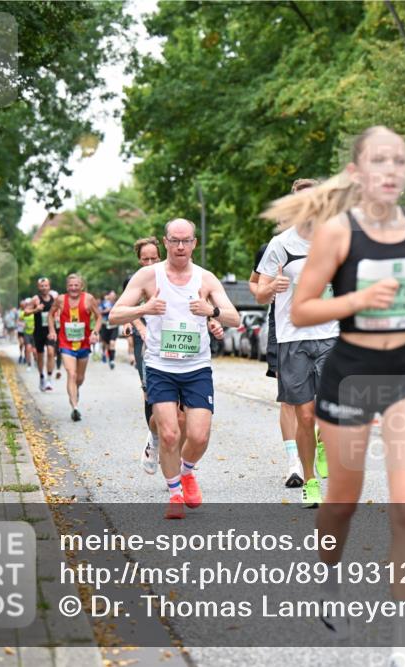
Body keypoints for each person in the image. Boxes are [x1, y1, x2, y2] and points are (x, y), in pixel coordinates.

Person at [261, 126, 405, 663]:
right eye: (379, 161)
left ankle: (404, 642)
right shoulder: (336, 234)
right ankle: (328, 581)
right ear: (356, 173)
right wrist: (359, 300)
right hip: (350, 372)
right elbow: (302, 308)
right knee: (342, 501)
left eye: (399, 161)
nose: (391, 171)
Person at [110, 218, 240, 519]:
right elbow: (115, 314)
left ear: (194, 243)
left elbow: (235, 318)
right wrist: (145, 308)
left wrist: (211, 311)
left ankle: (187, 471)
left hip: (196, 367)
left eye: (186, 240)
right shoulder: (148, 276)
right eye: (175, 240)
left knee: (199, 436)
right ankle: (175, 494)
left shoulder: (206, 279)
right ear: (165, 242)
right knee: (169, 434)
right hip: (160, 366)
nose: (180, 246)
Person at [256, 177, 337, 506]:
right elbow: (260, 293)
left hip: (331, 334)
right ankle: (310, 480)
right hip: (293, 338)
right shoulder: (280, 245)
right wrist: (271, 288)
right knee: (304, 416)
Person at [250, 242, 300, 487]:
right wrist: (270, 288)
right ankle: (294, 464)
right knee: (289, 397)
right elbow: (254, 284)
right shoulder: (272, 248)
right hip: (282, 328)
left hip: (322, 327)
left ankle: (319, 441)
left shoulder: (329, 242)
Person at [47, 274, 101, 421]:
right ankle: (75, 407)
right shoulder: (60, 300)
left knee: (80, 378)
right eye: (70, 285)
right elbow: (50, 315)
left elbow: (99, 317)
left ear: (81, 286)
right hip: (66, 343)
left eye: (76, 285)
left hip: (84, 343)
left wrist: (95, 332)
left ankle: (75, 390)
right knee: (71, 374)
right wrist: (52, 330)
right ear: (67, 287)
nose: (73, 288)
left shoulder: (88, 299)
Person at [26, 278, 58, 392]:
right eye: (42, 286)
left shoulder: (54, 298)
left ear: (49, 286)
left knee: (51, 352)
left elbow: (60, 311)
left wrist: (58, 317)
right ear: (38, 287)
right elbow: (26, 312)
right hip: (39, 331)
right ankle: (41, 377)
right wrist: (36, 310)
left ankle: (49, 379)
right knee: (40, 355)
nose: (44, 288)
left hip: (50, 330)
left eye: (46, 285)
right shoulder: (36, 299)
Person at [99, 289, 119, 369]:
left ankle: (112, 360)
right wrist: (106, 310)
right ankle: (104, 353)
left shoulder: (118, 304)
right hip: (105, 325)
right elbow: (99, 312)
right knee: (105, 344)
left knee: (112, 343)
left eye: (114, 295)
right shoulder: (104, 303)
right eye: (111, 295)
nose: (113, 297)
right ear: (108, 296)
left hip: (114, 326)